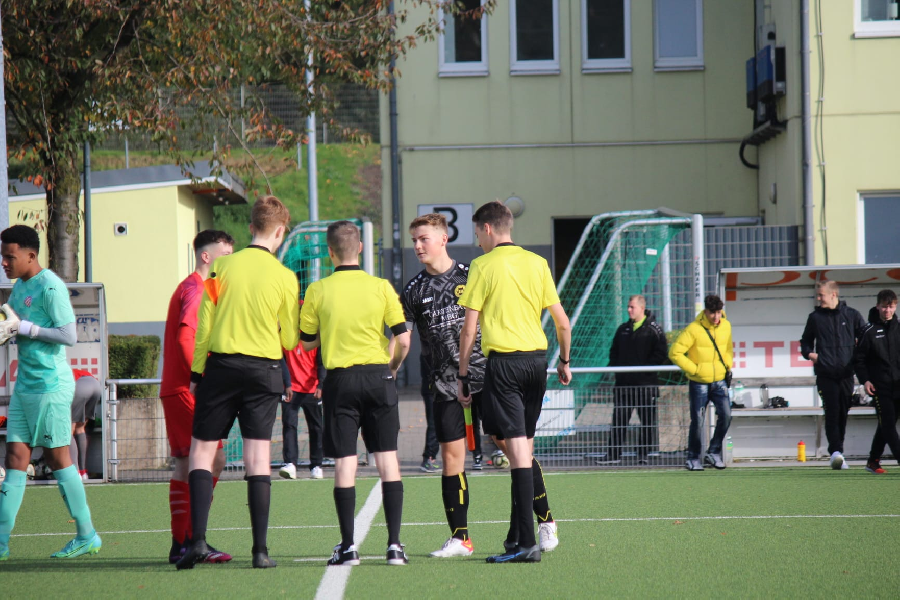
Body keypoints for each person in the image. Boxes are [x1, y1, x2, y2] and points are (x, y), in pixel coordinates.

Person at [403, 212, 561, 558]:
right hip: (445, 385)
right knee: (451, 458)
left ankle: (546, 519)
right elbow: (403, 338)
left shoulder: (472, 272)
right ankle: (461, 538)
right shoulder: (413, 290)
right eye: (414, 240)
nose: (417, 246)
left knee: (514, 449)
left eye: (424, 238)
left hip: (488, 376)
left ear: (443, 238)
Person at [176, 197, 299, 570]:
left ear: (251, 227)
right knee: (257, 458)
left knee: (201, 452)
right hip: (265, 371)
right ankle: (260, 552)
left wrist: (196, 373)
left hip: (222, 367)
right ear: (280, 231)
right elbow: (290, 339)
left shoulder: (222, 267)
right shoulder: (285, 277)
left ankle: (197, 542)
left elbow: (205, 325)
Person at [457, 201, 572, 564]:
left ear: (488, 228)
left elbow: (469, 329)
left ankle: (527, 542)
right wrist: (564, 362)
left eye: (477, 232)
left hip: (504, 365)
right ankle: (516, 537)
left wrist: (463, 374)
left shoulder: (482, 265)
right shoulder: (537, 263)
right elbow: (563, 322)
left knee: (517, 453)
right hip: (537, 363)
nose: (477, 240)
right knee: (517, 445)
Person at [299, 220, 411, 567]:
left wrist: (331, 329)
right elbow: (404, 339)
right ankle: (394, 546)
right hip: (379, 377)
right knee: (388, 460)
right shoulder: (381, 287)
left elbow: (306, 342)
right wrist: (392, 367)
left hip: (340, 381)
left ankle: (348, 547)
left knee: (345, 462)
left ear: (330, 253)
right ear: (360, 248)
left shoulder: (318, 290)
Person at [0, 225, 100, 560]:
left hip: (50, 388)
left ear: (31, 255)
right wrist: (8, 330)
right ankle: (1, 542)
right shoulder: (19, 288)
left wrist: (25, 328)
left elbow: (69, 335)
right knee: (15, 459)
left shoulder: (51, 286)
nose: (4, 263)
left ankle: (87, 534)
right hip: (25, 388)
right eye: (2, 256)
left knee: (58, 460)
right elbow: (14, 325)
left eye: (9, 256)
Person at [160, 229, 234, 564]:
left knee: (191, 462)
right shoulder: (197, 288)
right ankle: (190, 540)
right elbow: (185, 337)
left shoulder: (192, 287)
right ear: (206, 256)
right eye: (225, 254)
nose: (230, 260)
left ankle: (184, 542)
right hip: (185, 390)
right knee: (210, 458)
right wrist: (200, 378)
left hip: (177, 388)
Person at [800, 280, 866, 469]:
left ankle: (839, 453)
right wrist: (811, 355)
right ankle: (836, 452)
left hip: (846, 374)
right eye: (818, 295)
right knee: (832, 410)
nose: (818, 298)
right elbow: (805, 342)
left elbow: (865, 339)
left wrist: (858, 359)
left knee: (842, 412)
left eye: (821, 295)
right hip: (825, 374)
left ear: (833, 295)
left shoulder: (852, 315)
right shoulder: (815, 317)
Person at [669, 294, 733, 472]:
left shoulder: (726, 326)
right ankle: (693, 457)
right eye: (712, 313)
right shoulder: (694, 329)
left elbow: (728, 348)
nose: (716, 316)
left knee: (727, 415)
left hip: (719, 380)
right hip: (698, 383)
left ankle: (713, 452)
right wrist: (695, 369)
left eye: (718, 312)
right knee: (698, 420)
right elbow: (675, 352)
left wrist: (727, 364)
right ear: (705, 311)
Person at [605, 295, 668, 465]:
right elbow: (614, 352)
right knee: (619, 420)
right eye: (628, 306)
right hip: (624, 385)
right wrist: (617, 370)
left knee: (647, 421)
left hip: (645, 386)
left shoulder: (654, 330)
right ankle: (613, 455)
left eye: (632, 307)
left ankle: (643, 454)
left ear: (642, 308)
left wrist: (644, 371)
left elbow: (661, 354)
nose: (629, 310)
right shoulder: (623, 329)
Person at [853, 289, 900, 474]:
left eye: (891, 307)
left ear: (895, 307)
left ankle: (873, 461)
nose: (887, 310)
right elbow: (858, 360)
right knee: (888, 424)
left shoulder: (899, 328)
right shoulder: (868, 331)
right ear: (877, 306)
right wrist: (865, 380)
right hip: (880, 387)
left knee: (886, 425)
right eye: (884, 307)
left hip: (898, 385)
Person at [279, 300, 326, 481]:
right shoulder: (285, 337)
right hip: (291, 389)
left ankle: (316, 465)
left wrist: (321, 385)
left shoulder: (316, 337)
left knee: (316, 428)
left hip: (312, 389)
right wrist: (286, 384)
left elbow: (322, 363)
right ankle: (290, 464)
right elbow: (281, 360)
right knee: (289, 425)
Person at [69, 369, 102, 481]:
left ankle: (75, 472)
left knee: (68, 430)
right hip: (95, 386)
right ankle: (83, 473)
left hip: (80, 387)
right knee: (80, 428)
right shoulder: (72, 370)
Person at [418, 353, 440, 474]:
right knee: (434, 423)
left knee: (437, 423)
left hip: (437, 389)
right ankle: (429, 458)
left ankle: (430, 457)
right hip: (433, 390)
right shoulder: (429, 351)